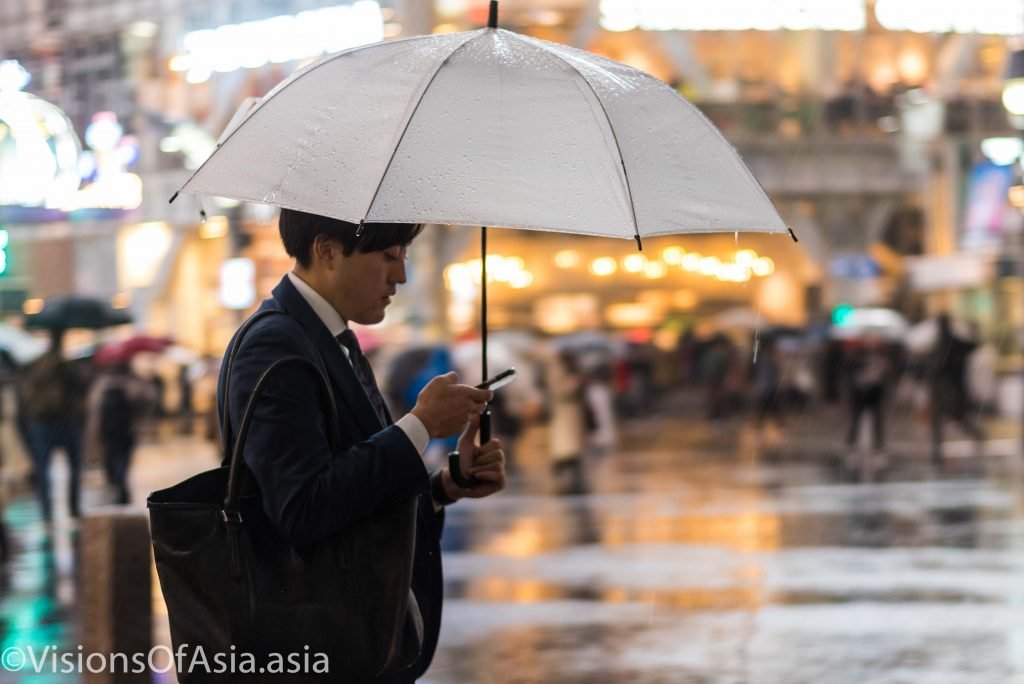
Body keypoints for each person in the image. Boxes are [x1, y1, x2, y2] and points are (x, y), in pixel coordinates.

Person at [218, 208, 504, 683]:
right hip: (314, 649)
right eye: (389, 256)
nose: (402, 275)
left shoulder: (334, 340)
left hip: (354, 642)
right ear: (327, 250)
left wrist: (445, 486)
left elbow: (351, 490)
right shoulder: (275, 345)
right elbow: (302, 509)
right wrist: (420, 426)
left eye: (405, 256)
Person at [19, 328, 90, 521]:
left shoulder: (35, 366)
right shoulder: (66, 365)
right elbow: (83, 386)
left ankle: (46, 512)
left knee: (43, 469)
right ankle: (73, 508)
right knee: (74, 466)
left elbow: (25, 397)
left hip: (42, 423)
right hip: (66, 422)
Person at [927, 313, 984, 468]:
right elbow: (972, 347)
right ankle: (938, 449)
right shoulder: (949, 341)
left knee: (952, 417)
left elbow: (938, 366)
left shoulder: (945, 341)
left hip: (948, 389)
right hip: (947, 389)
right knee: (949, 418)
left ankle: (939, 448)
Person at [94, 361, 153, 504]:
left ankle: (118, 487)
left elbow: (94, 411)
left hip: (110, 431)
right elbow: (147, 402)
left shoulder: (102, 385)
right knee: (122, 461)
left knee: (113, 460)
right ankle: (121, 488)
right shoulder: (132, 384)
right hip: (125, 430)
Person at [844, 335, 889, 454]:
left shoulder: (880, 355)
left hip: (875, 390)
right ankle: (852, 441)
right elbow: (850, 369)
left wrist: (880, 368)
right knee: (857, 417)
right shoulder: (856, 355)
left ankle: (878, 442)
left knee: (876, 417)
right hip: (860, 390)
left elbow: (885, 372)